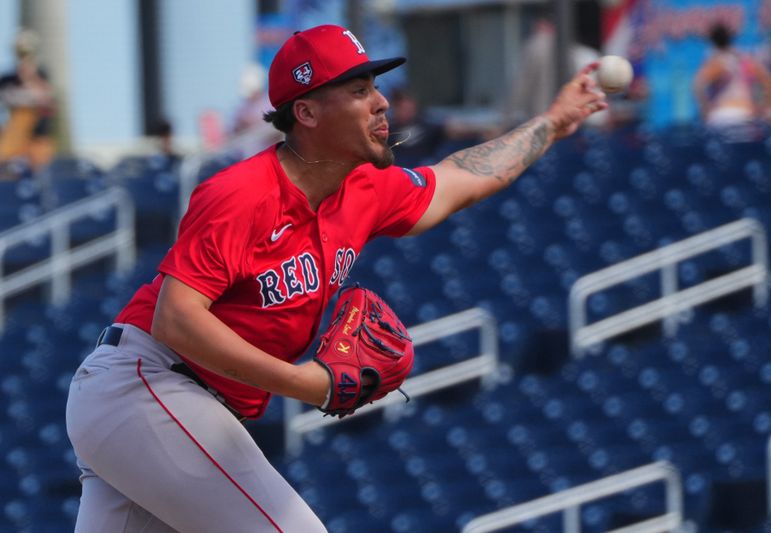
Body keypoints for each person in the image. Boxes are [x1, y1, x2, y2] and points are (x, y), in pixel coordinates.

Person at [65, 24, 606, 532]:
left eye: (376, 86)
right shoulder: (242, 194)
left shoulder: (366, 188)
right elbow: (176, 319)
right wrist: (309, 383)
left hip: (165, 406)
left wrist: (553, 122)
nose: (382, 102)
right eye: (358, 90)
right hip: (147, 383)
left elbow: (460, 179)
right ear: (307, 111)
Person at [693, 23, 771, 131]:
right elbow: (769, 82)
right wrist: (764, 108)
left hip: (724, 116)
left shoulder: (717, 61)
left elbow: (698, 85)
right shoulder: (745, 59)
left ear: (711, 41)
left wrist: (705, 110)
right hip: (746, 115)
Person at [0, 28, 56, 170]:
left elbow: (46, 101)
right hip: (12, 140)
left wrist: (30, 79)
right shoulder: (7, 80)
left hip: (38, 141)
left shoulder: (41, 76)